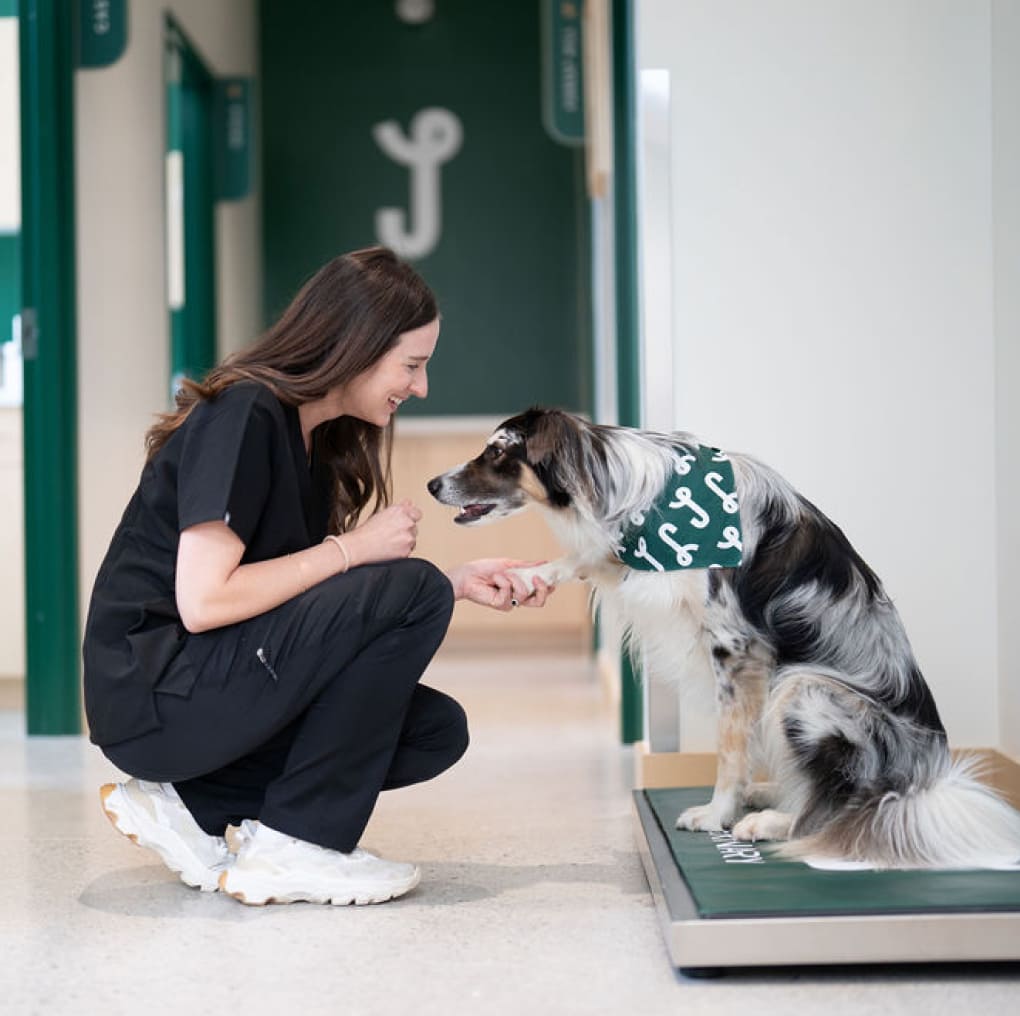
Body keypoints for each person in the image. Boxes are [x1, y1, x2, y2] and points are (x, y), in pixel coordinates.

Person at [83, 246, 551, 906]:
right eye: (412, 365)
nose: (421, 388)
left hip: (208, 684)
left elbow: (300, 613)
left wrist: (457, 582)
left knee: (432, 730)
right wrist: (356, 550)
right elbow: (204, 600)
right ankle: (297, 844)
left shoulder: (318, 446)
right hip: (157, 694)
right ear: (356, 346)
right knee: (406, 584)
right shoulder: (243, 414)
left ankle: (192, 804)